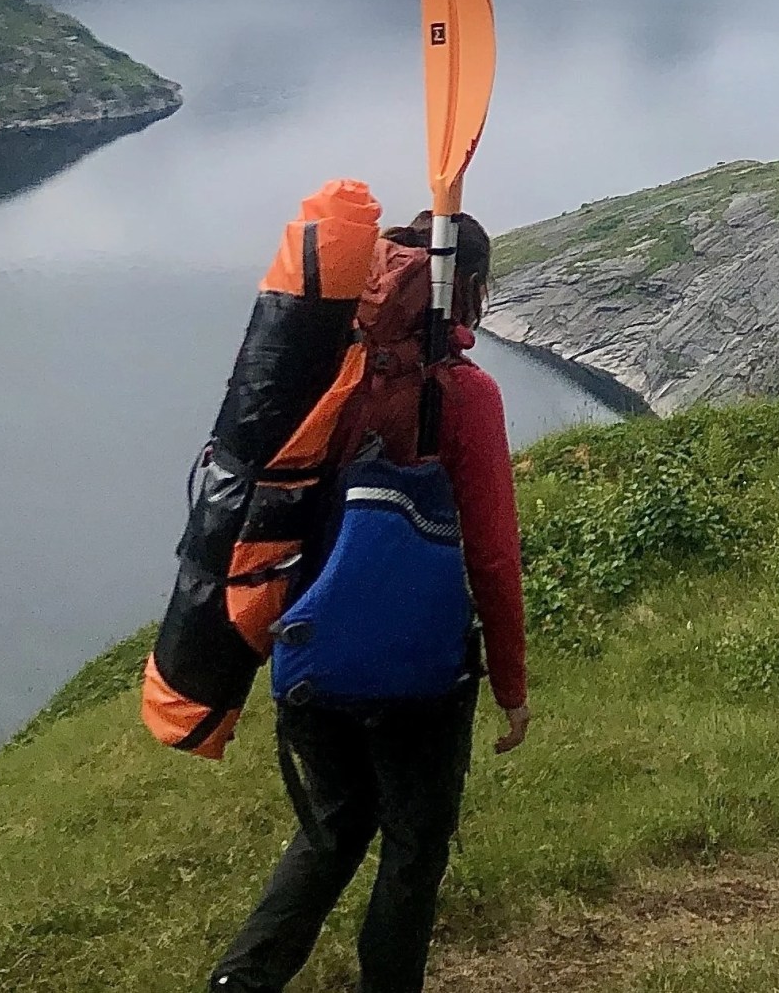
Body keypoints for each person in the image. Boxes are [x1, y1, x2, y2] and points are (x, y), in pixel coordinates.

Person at [210, 213, 530, 993]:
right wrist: (511, 688)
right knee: (413, 848)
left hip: (308, 648)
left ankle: (241, 983)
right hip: (423, 672)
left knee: (330, 831)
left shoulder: (326, 375)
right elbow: (491, 553)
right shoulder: (466, 394)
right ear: (471, 292)